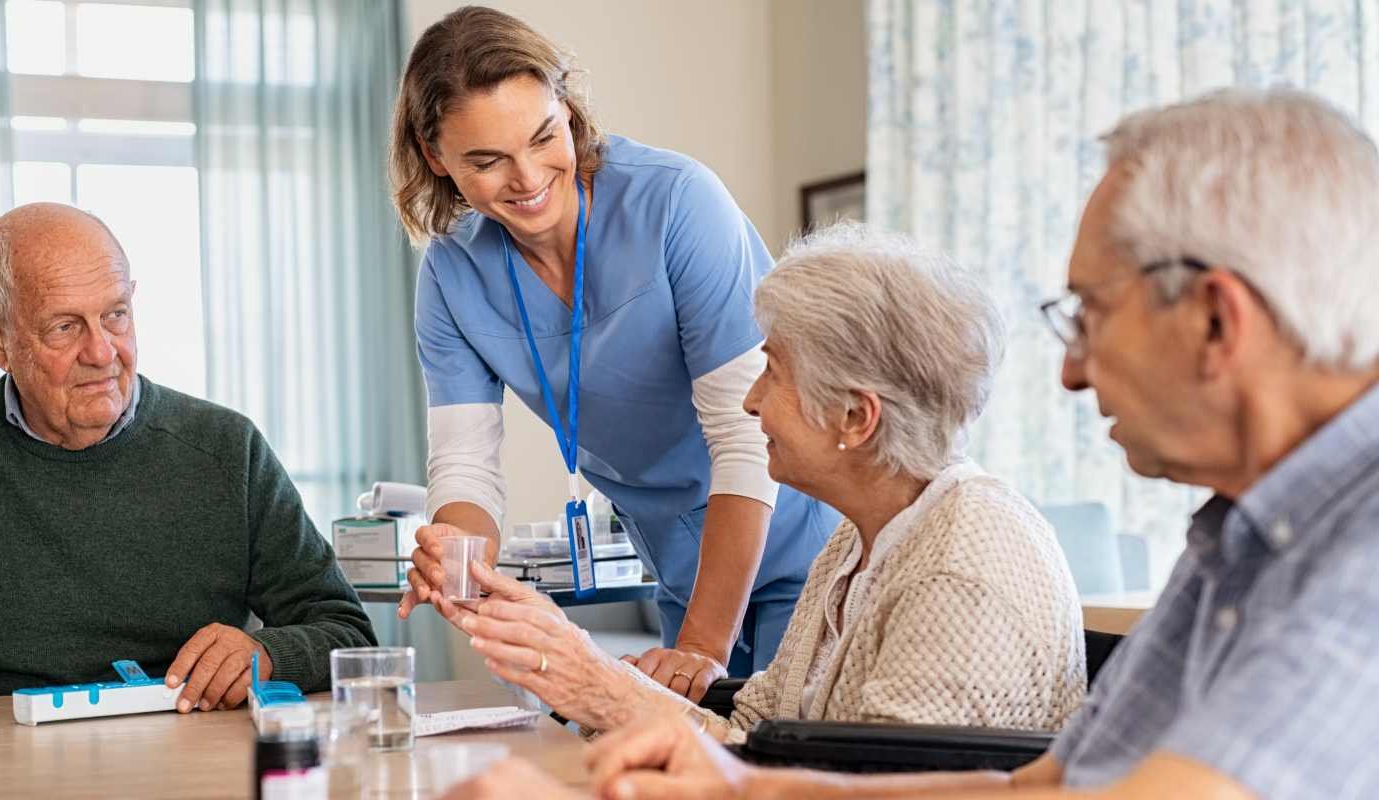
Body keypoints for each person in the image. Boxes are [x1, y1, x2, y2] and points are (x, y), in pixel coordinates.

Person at [450, 87, 1379, 800]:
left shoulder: (1358, 553)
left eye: (1090, 315)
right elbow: (1040, 789)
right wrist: (742, 784)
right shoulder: (1243, 536)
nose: (1072, 373)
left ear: (1216, 321)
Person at [435, 221, 1085, 742]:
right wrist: (584, 677)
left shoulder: (958, 573)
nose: (750, 402)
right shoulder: (860, 544)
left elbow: (866, 793)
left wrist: (600, 685)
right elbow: (755, 734)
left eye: (771, 372)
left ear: (855, 417)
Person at [391, 5, 837, 694]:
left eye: (544, 136)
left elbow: (746, 441)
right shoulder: (452, 274)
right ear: (435, 157)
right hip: (682, 571)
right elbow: (466, 470)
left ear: (567, 110)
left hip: (803, 544)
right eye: (486, 161)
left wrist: (700, 651)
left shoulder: (678, 205)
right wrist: (456, 554)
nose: (527, 177)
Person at [0, 202, 376, 722]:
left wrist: (269, 654)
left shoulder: (227, 447)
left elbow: (349, 635)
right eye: (64, 326)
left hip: (180, 756)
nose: (102, 353)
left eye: (116, 315)